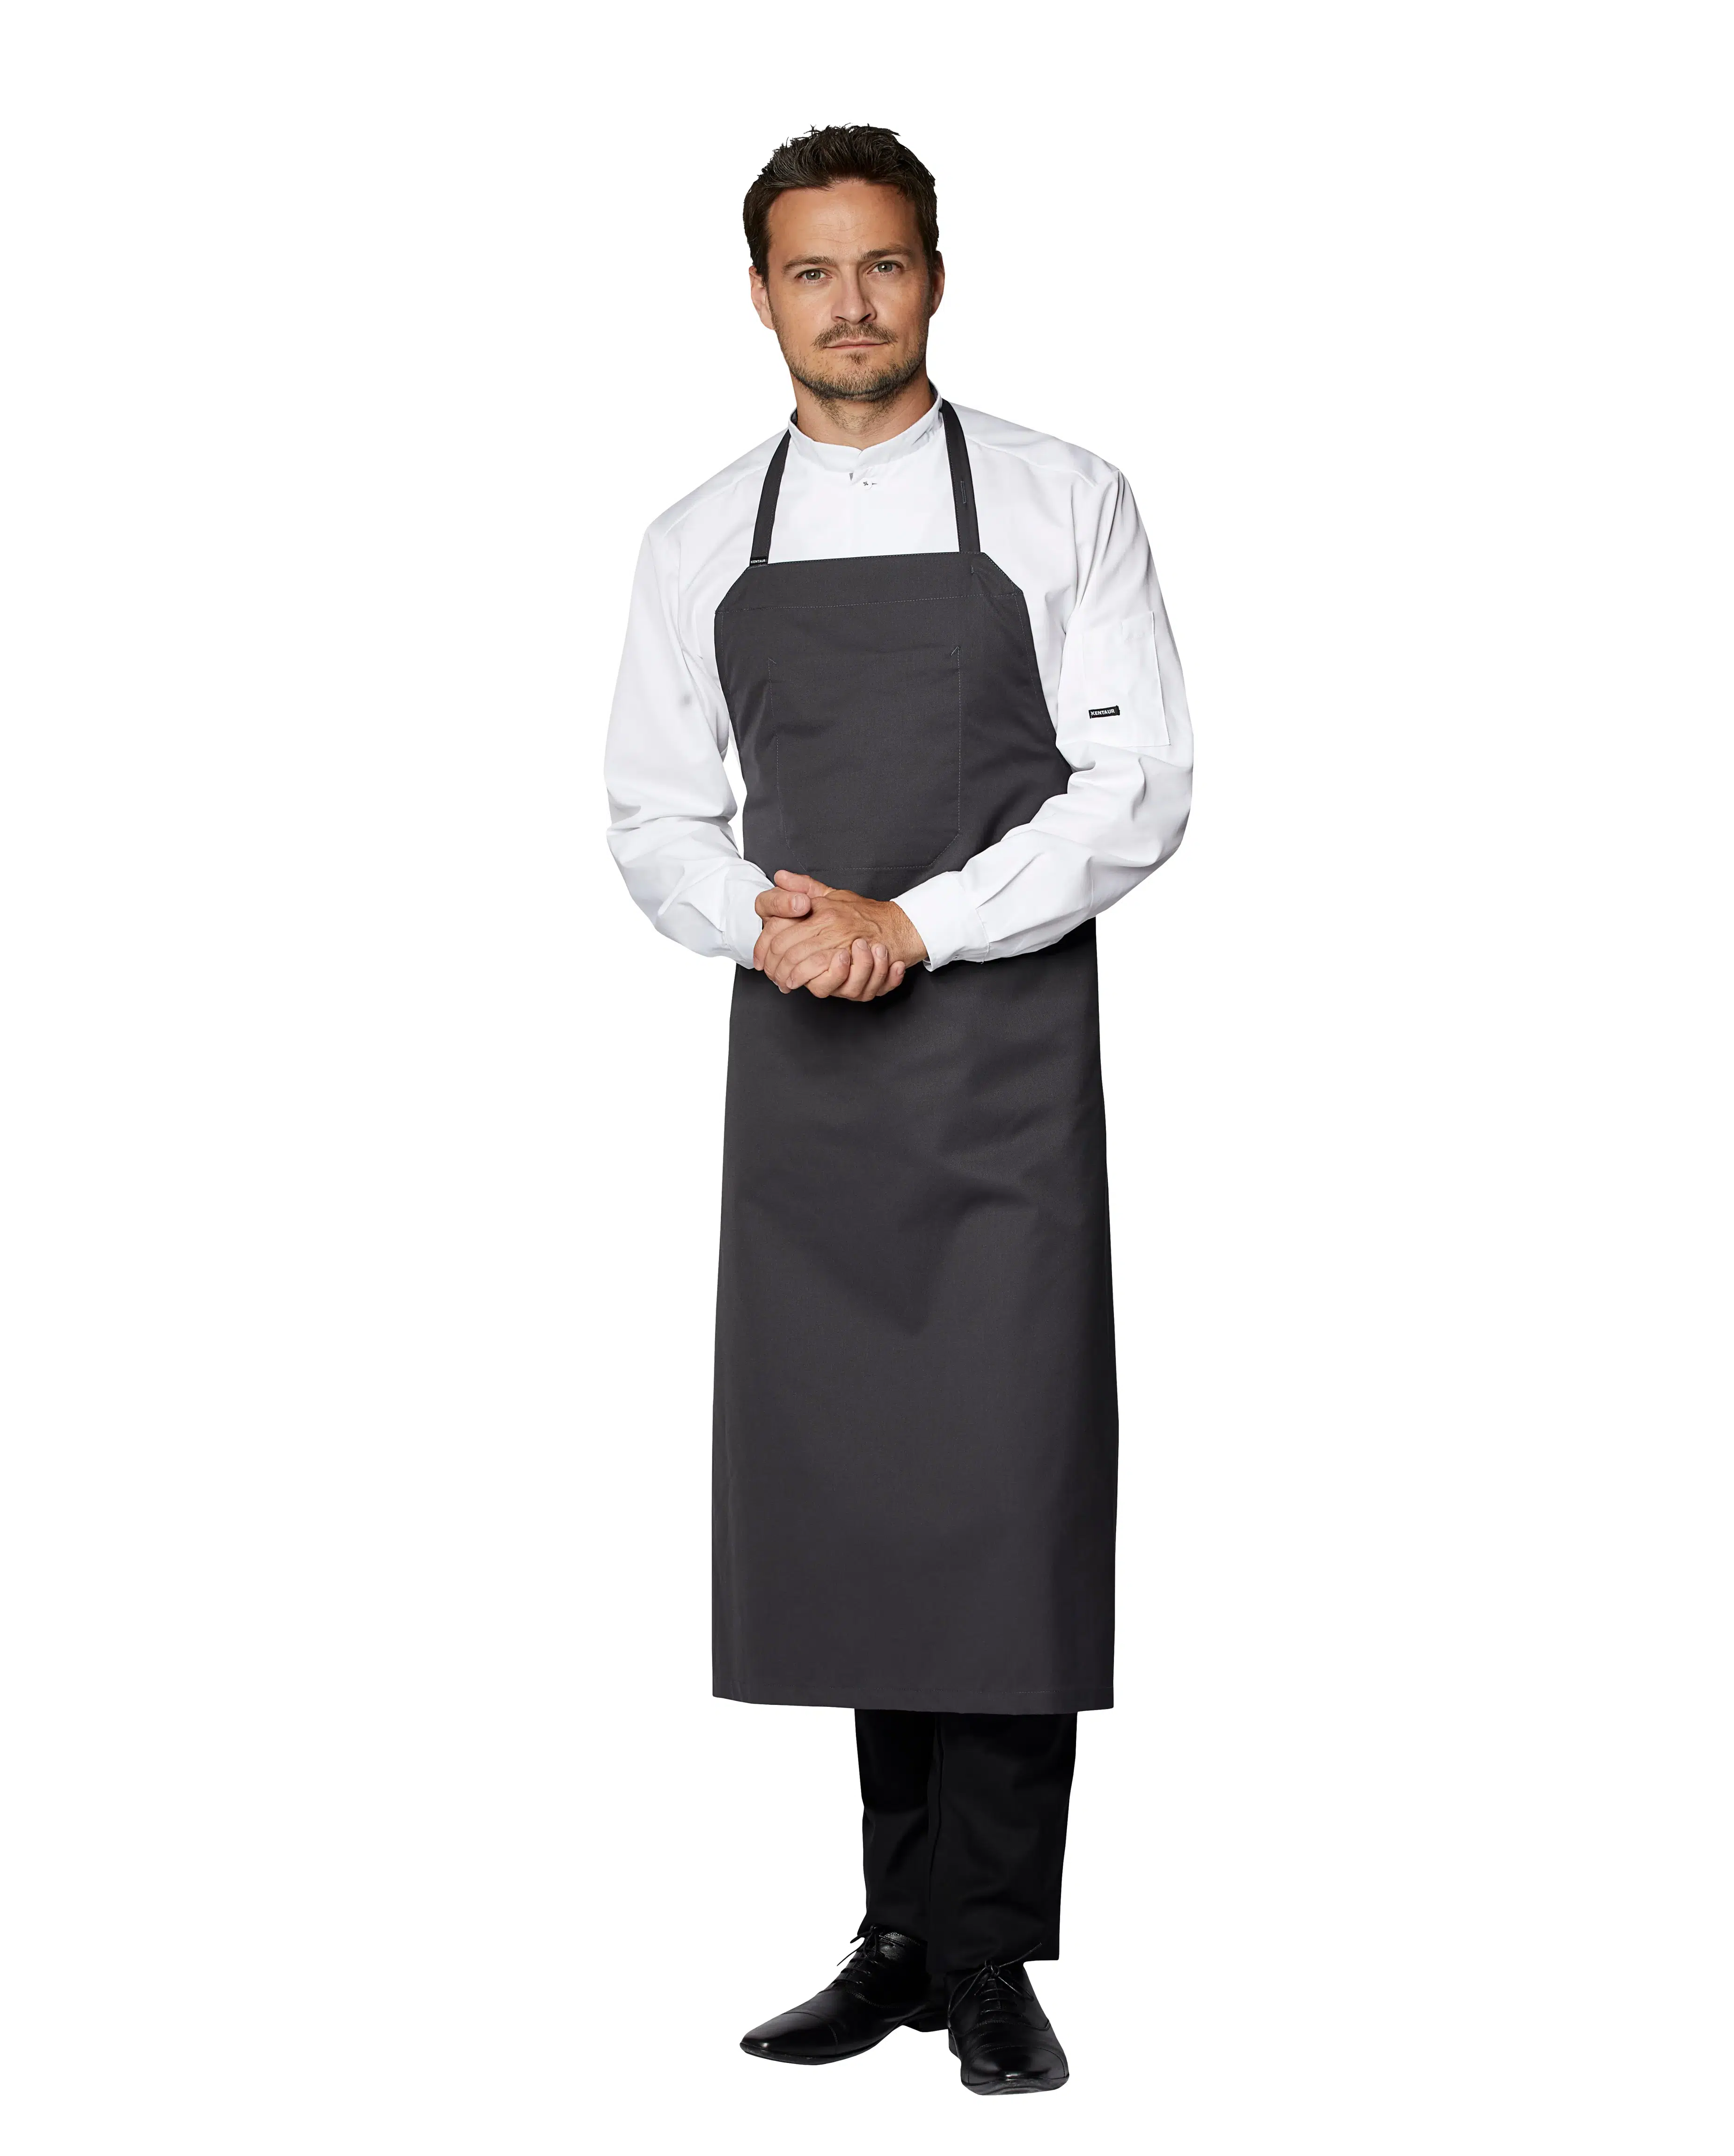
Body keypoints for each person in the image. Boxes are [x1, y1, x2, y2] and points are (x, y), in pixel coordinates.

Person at [605, 124, 1192, 2095]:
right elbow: (654, 815)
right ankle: (899, 1937)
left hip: (1000, 1074)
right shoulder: (697, 538)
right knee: (863, 1508)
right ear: (759, 295)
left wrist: (914, 926)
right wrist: (770, 925)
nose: (849, 303)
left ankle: (991, 1948)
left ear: (934, 273)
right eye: (811, 270)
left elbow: (1137, 790)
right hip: (809, 1084)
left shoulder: (1064, 499)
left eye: (882, 264)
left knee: (1007, 1504)